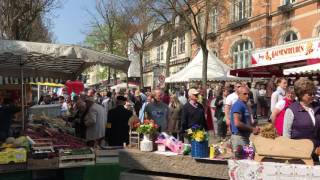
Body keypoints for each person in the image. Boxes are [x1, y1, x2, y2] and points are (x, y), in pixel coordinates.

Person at [283, 78, 320, 161]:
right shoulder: (291, 110)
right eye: (310, 94)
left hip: (316, 153)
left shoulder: (317, 107)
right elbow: (286, 135)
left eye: (314, 93)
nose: (313, 96)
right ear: (301, 94)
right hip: (298, 154)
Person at [230, 86, 260, 150]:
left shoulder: (244, 105)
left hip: (244, 137)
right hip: (239, 138)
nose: (247, 96)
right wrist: (252, 129)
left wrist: (253, 126)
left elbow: (244, 121)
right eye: (244, 94)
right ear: (238, 94)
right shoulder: (238, 105)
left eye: (248, 94)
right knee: (241, 159)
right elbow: (237, 123)